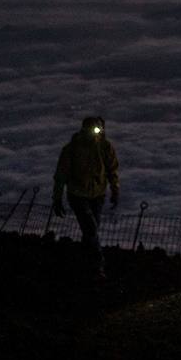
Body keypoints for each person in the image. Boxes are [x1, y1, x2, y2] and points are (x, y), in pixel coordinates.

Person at [52, 115, 120, 277]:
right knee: (91, 228)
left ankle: (84, 261)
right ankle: (98, 265)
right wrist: (57, 198)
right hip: (77, 195)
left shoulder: (105, 147)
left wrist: (115, 190)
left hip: (98, 195)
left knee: (91, 230)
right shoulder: (71, 149)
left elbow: (112, 170)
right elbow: (61, 175)